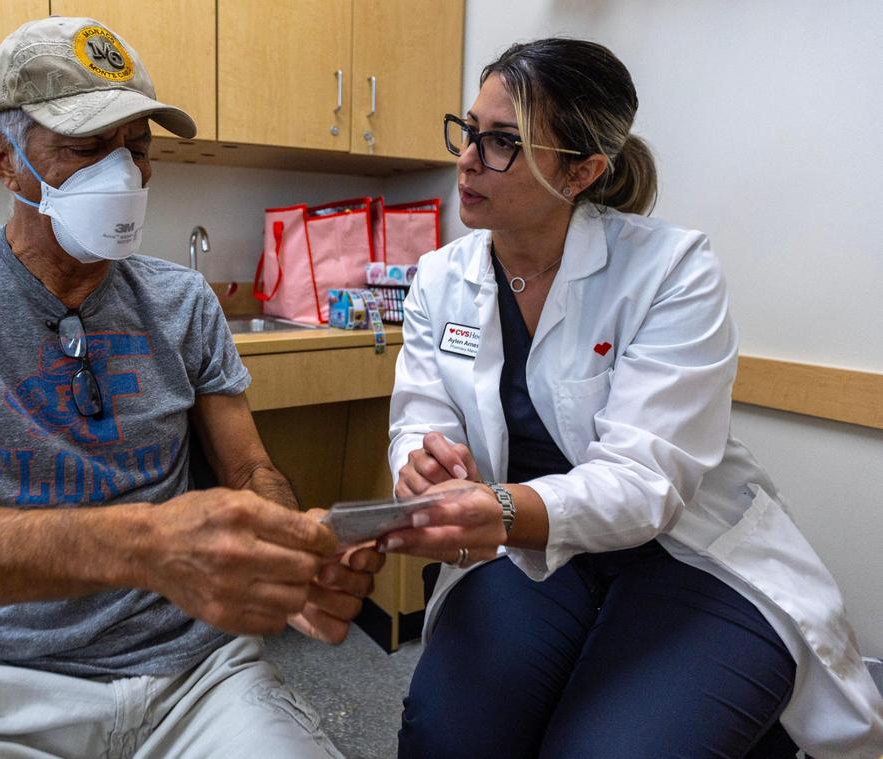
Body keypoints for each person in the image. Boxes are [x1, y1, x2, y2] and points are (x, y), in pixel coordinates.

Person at [0, 17, 383, 758]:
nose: (121, 174)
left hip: (195, 675)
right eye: (87, 147)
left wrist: (290, 546)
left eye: (136, 148)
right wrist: (144, 544)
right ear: (1, 160)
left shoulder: (185, 302)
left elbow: (250, 468)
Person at [378, 38, 883, 758]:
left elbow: (647, 481)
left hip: (683, 549)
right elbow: (420, 410)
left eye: (502, 143)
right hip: (528, 550)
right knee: (447, 738)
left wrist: (500, 507)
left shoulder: (671, 269)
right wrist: (421, 460)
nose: (466, 159)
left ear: (582, 170)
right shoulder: (438, 277)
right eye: (468, 131)